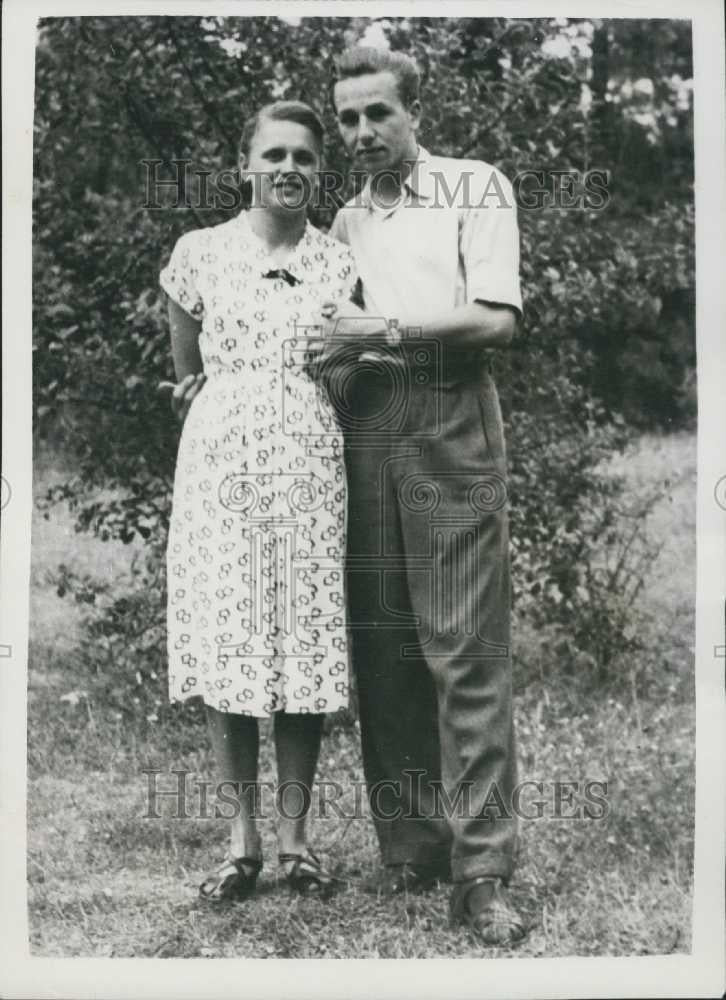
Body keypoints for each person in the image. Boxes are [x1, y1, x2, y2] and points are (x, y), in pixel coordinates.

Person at [319, 46, 526, 944]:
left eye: (378, 114)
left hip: (449, 409)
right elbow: (327, 332)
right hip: (372, 418)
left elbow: (497, 319)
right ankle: (412, 847)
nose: (362, 133)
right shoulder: (345, 220)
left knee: (463, 648)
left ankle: (483, 873)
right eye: (348, 120)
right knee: (386, 642)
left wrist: (386, 327)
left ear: (413, 111)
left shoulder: (476, 188)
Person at [159, 100, 359, 902]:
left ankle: (297, 842)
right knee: (233, 637)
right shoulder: (200, 252)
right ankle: (240, 842)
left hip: (309, 461)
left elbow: (351, 363)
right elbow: (183, 350)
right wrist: (195, 387)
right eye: (273, 154)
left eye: (304, 158)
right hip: (221, 465)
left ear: (318, 170)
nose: (288, 169)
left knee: (301, 642)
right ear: (246, 163)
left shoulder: (338, 262)